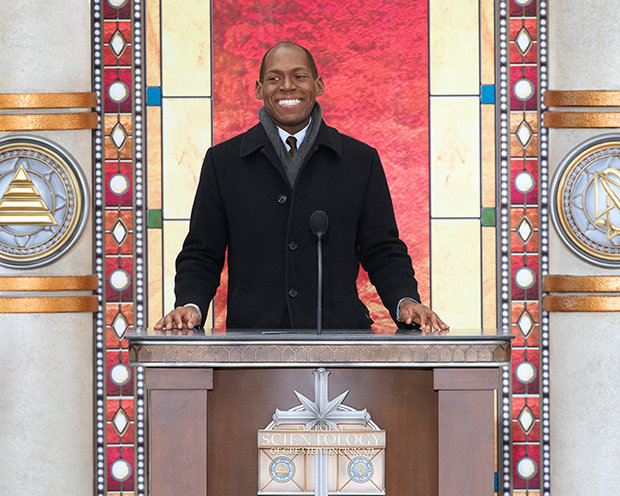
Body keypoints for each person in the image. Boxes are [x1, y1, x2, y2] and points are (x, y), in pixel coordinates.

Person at [155, 41, 449, 333]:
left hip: (341, 338)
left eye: (299, 76)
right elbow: (202, 252)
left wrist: (405, 301)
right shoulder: (223, 162)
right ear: (258, 89)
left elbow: (383, 249)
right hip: (251, 342)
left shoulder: (360, 160)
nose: (287, 86)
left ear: (318, 85)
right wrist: (190, 305)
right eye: (274, 78)